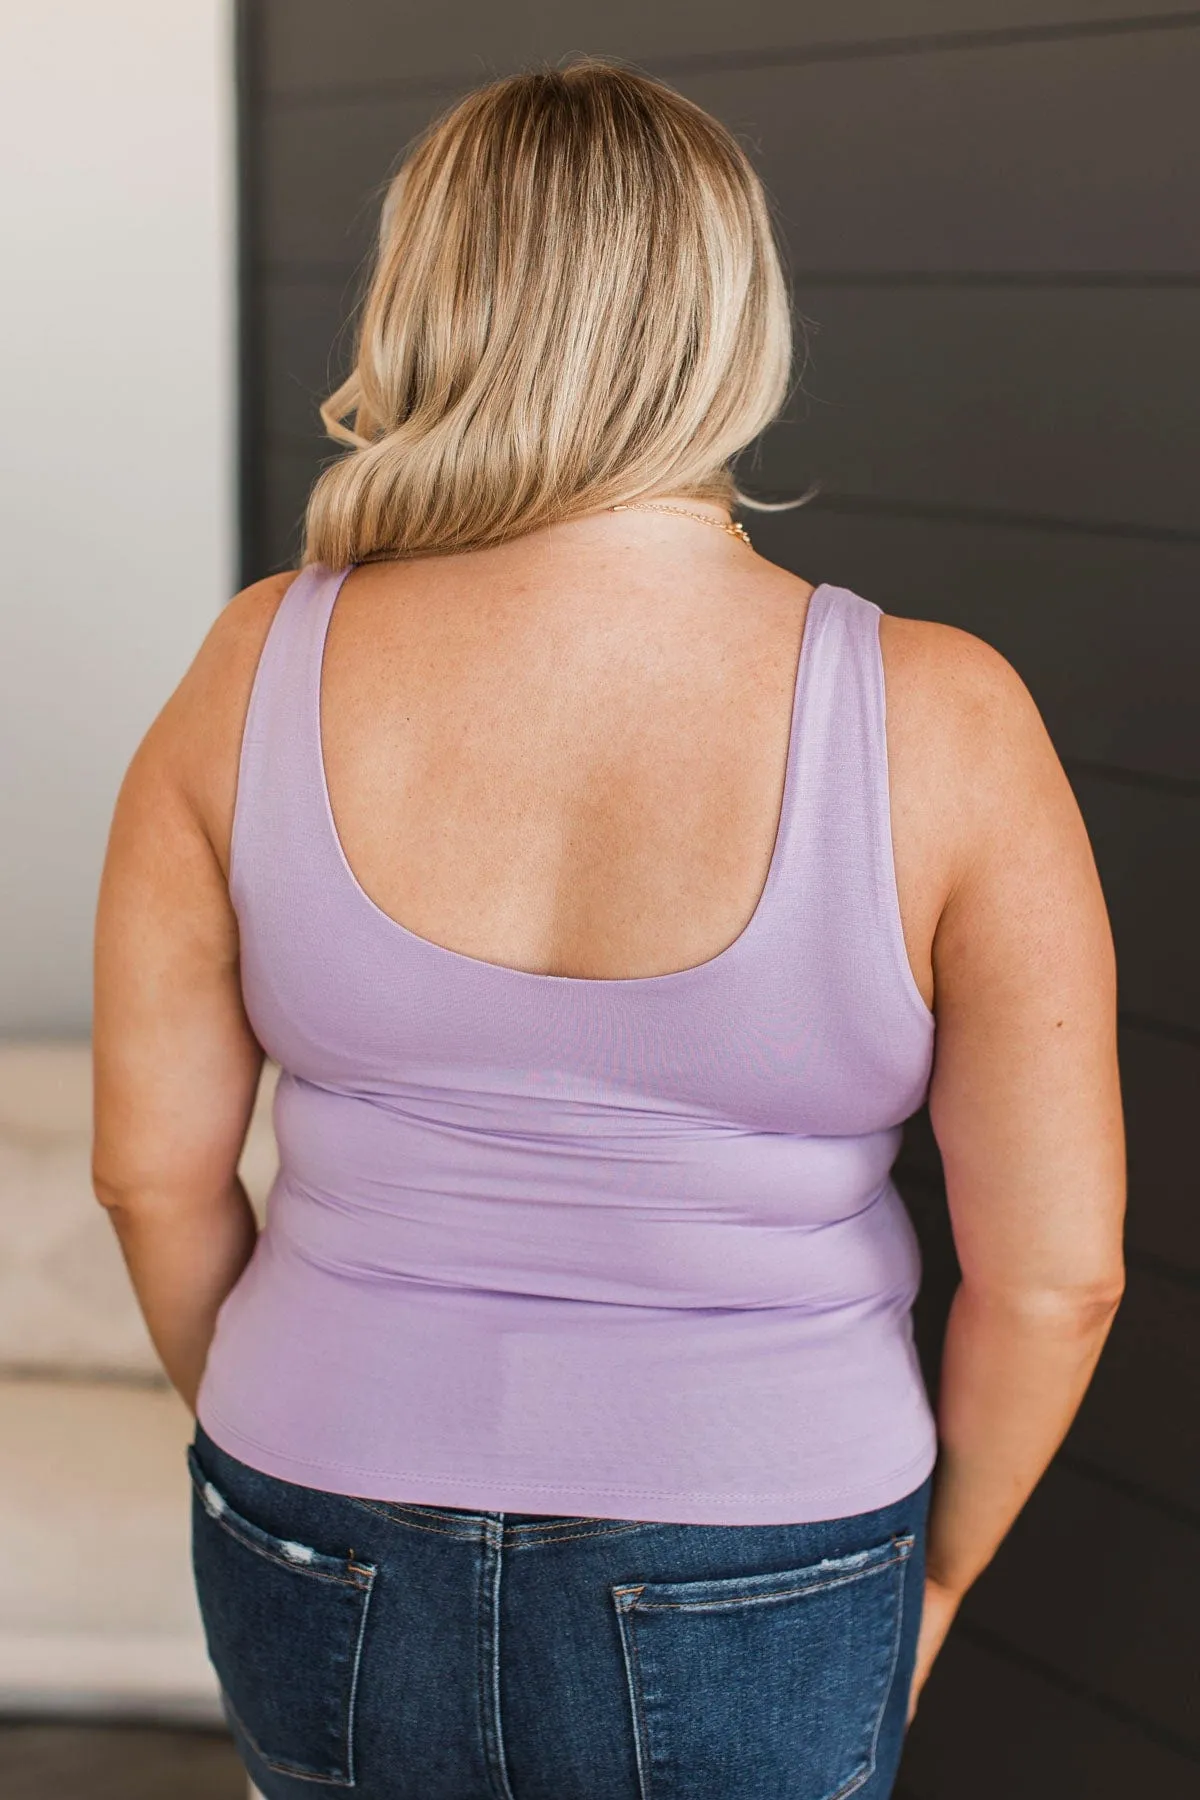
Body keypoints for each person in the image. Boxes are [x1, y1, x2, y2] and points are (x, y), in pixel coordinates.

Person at [92, 58, 1125, 1800]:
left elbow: (149, 1176)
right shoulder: (946, 718)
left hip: (314, 1508)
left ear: (426, 299)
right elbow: (1056, 1275)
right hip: (769, 1543)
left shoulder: (253, 664)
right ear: (734, 320)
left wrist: (301, 1412)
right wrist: (932, 1584)